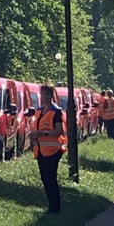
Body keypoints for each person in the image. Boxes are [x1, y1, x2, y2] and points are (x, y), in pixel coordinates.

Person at [31, 83, 66, 214]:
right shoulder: (39, 110)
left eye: (47, 94)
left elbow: (59, 131)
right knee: (45, 178)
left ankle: (55, 207)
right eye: (43, 93)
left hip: (53, 151)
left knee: (51, 178)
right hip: (41, 150)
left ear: (52, 95)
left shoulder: (55, 111)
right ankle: (51, 205)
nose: (45, 96)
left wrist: (41, 134)